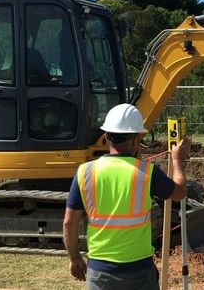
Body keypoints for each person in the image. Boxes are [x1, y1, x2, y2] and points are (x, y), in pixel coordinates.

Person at [63, 103, 190, 289]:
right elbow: (180, 192)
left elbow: (69, 222)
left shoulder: (84, 172)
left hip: (100, 271)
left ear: (106, 137)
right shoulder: (147, 172)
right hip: (138, 270)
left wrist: (74, 259)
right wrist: (177, 161)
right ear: (135, 140)